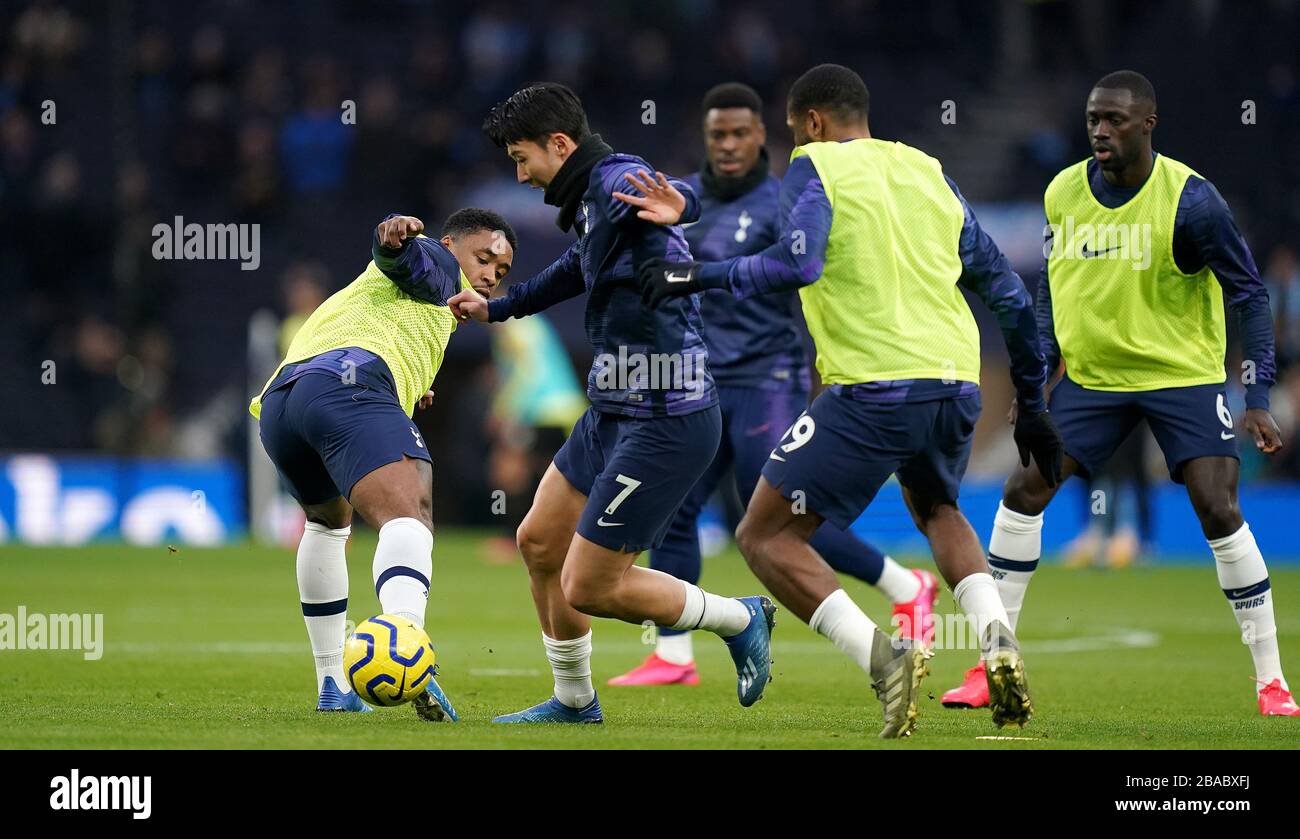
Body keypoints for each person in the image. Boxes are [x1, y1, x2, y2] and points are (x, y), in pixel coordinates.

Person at [628, 64, 1060, 737]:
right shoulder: (928, 169)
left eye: (794, 129)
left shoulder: (813, 164)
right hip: (955, 381)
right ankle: (997, 640)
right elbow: (1005, 289)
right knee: (941, 510)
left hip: (873, 386)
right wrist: (1031, 401)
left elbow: (797, 263)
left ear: (813, 122)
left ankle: (882, 659)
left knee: (763, 533)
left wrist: (694, 275)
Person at [941, 71, 1298, 717]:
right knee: (1023, 490)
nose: (1101, 131)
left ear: (1147, 124)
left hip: (1180, 376)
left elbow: (1247, 292)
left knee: (1218, 507)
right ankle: (992, 663)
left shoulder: (1192, 200)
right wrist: (1037, 373)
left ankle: (1271, 680)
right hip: (1094, 379)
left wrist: (1257, 394)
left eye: (1114, 120)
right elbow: (1054, 290)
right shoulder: (1062, 192)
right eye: (1092, 121)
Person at [450, 82, 775, 724]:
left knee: (590, 584)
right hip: (612, 409)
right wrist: (501, 306)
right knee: (540, 542)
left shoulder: (617, 177)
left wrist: (682, 205)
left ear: (560, 144)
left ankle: (740, 617)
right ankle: (575, 701)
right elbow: (578, 266)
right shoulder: (590, 206)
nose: (520, 175)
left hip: (665, 417)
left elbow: (675, 193)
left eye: (523, 158)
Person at [609, 82, 937, 689]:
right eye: (717, 136)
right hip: (699, 380)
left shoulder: (788, 195)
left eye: (739, 133)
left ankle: (903, 583)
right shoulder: (685, 198)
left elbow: (799, 267)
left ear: (763, 134)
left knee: (782, 512)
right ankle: (673, 657)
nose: (728, 145)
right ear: (705, 139)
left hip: (769, 377)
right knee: (674, 512)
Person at [250, 208, 518, 720]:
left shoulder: (433, 312)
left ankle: (332, 684)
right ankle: (407, 652)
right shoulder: (441, 267)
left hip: (283, 406)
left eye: (500, 273)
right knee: (409, 514)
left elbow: (395, 316)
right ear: (449, 244)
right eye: (483, 259)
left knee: (328, 525)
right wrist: (393, 239)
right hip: (343, 386)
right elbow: (406, 260)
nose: (487, 276)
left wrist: (415, 383)